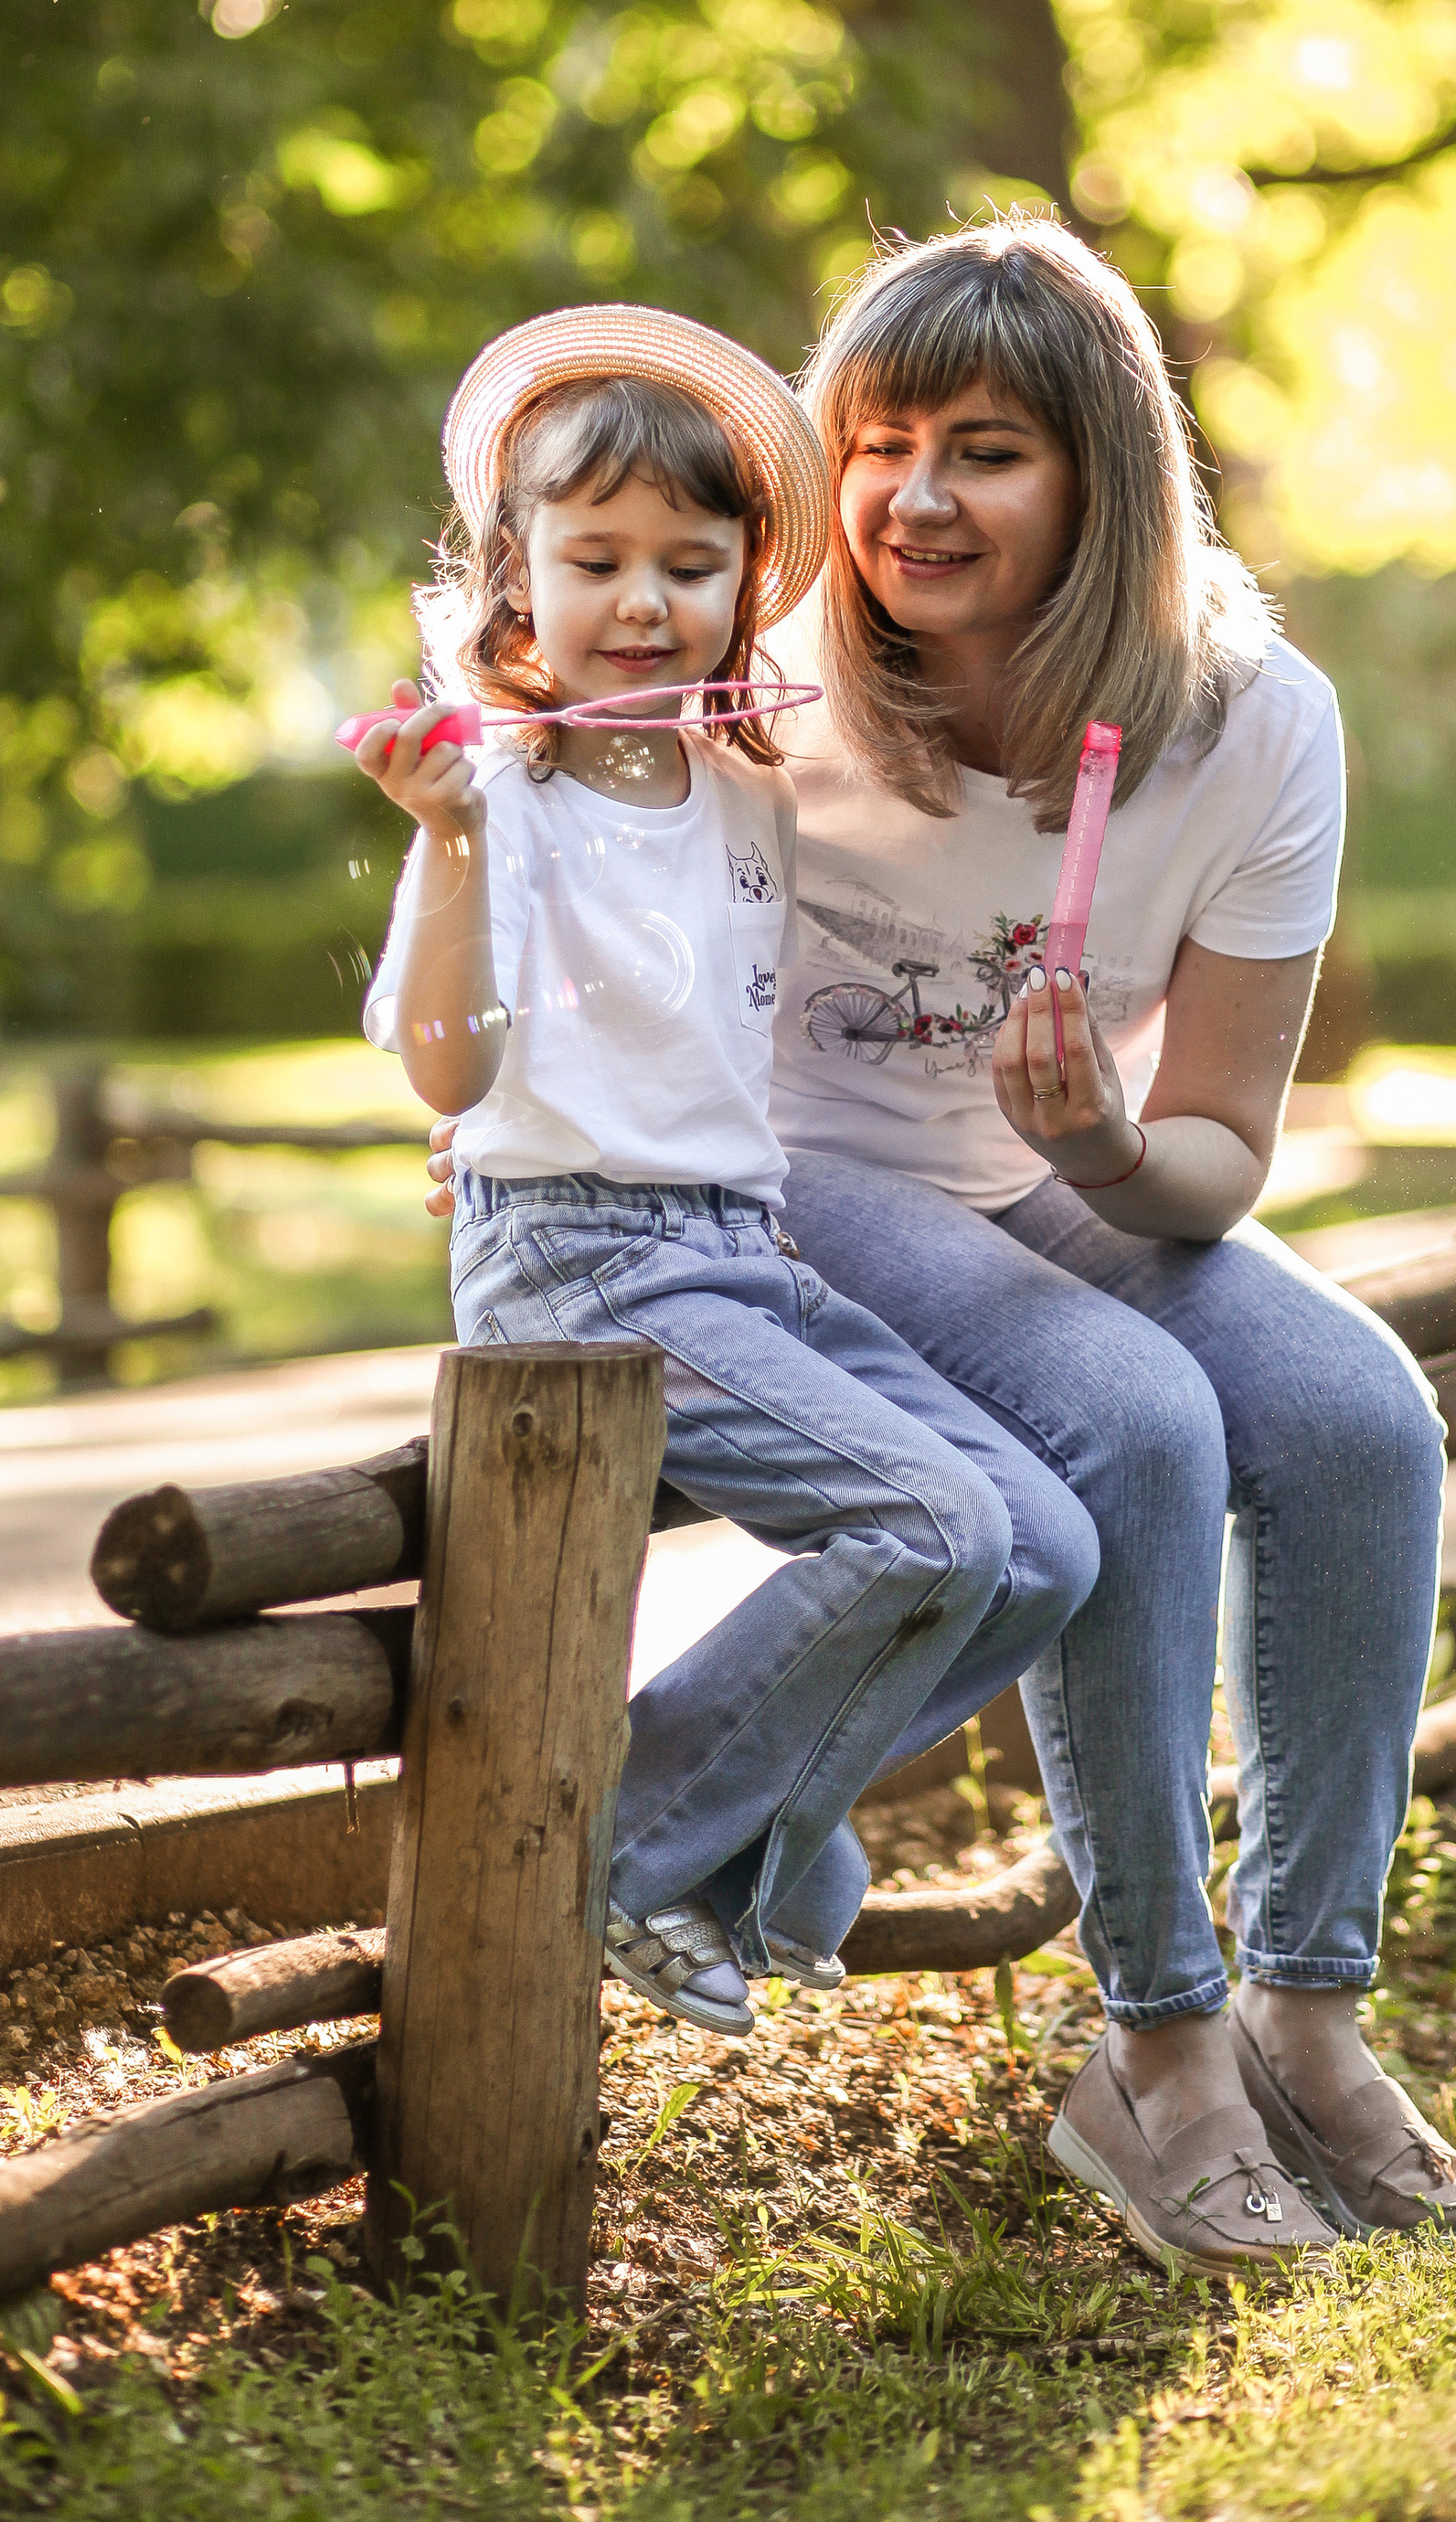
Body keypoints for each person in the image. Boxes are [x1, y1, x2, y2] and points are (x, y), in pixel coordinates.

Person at [424, 229, 1456, 2278]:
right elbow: (526, 751)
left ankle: (1307, 2013)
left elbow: (1211, 1161)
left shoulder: (1248, 727)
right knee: (1127, 1420)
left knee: (1357, 1419)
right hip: (775, 1178)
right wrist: (508, 1118)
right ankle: (1161, 2050)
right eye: (879, 443)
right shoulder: (762, 670)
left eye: (986, 450)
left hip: (1041, 1180)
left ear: (1099, 475)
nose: (913, 500)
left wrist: (1102, 1137)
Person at [357, 300, 1101, 2053]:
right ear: (514, 576)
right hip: (580, 1264)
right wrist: (454, 842)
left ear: (745, 583)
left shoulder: (740, 789)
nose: (639, 603)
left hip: (735, 1246)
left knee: (1048, 1545)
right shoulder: (505, 796)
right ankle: (627, 1854)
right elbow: (451, 1069)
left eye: (688, 566)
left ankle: (727, 1842)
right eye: (593, 559)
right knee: (933, 1525)